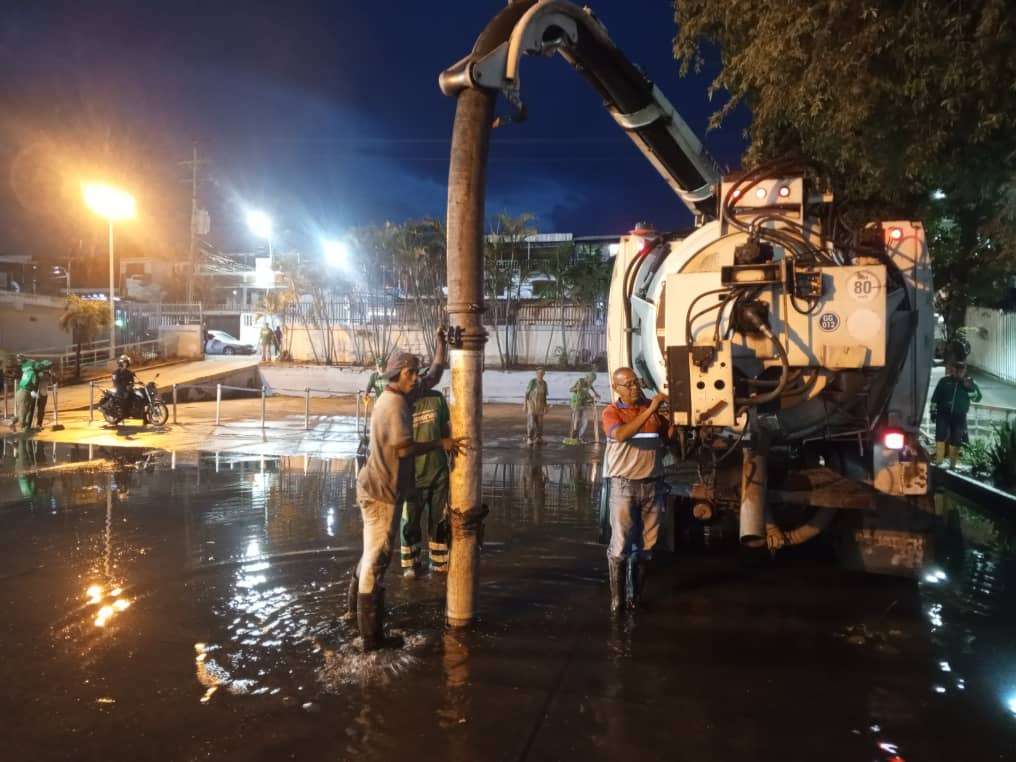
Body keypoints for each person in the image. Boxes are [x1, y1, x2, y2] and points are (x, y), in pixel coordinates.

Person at [350, 351, 466, 651]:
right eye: (412, 373)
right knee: (378, 559)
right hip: (381, 493)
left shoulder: (396, 394)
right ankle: (371, 641)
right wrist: (440, 443)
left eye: (417, 373)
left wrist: (441, 349)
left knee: (370, 553)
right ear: (399, 373)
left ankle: (353, 615)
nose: (417, 378)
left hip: (372, 486)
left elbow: (432, 377)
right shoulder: (395, 405)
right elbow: (403, 449)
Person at [601, 367, 672, 615]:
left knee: (647, 547)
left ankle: (635, 598)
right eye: (628, 385)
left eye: (636, 383)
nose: (634, 388)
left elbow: (668, 438)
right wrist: (651, 411)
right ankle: (617, 601)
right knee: (619, 547)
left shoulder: (652, 411)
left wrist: (674, 417)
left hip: (653, 485)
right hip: (624, 486)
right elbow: (620, 435)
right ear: (616, 388)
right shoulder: (611, 412)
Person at [400, 384, 452, 577]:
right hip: (411, 479)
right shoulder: (401, 402)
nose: (416, 380)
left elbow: (445, 429)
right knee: (409, 524)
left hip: (438, 475)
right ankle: (410, 567)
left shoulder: (437, 399)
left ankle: (438, 565)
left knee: (439, 522)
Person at [931, 361, 982, 468]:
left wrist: (969, 388)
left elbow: (977, 398)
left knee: (956, 438)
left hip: (959, 416)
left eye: (961, 370)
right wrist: (933, 411)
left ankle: (953, 464)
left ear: (964, 371)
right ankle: (939, 461)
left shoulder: (970, 383)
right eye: (956, 369)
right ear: (952, 369)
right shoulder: (944, 381)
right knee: (940, 435)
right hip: (943, 414)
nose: (958, 372)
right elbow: (935, 397)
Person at [565, 371, 600, 445]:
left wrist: (596, 394)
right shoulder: (580, 381)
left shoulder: (589, 384)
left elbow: (590, 388)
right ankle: (574, 437)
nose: (591, 382)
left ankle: (580, 437)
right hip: (576, 403)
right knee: (576, 421)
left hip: (583, 404)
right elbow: (570, 390)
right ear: (587, 378)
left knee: (585, 421)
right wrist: (576, 389)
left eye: (593, 381)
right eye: (591, 380)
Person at [524, 368, 549, 446]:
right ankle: (529, 438)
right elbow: (526, 394)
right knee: (531, 421)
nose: (540, 375)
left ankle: (538, 437)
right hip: (531, 404)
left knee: (540, 423)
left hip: (540, 404)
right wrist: (525, 405)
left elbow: (544, 396)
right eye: (539, 373)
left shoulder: (544, 383)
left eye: (542, 373)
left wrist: (546, 406)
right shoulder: (532, 382)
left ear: (544, 374)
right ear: (536, 374)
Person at [34, 364, 53, 428]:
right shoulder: (47, 375)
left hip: (37, 393)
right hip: (42, 394)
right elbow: (51, 383)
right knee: (40, 410)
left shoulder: (39, 374)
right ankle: (38, 424)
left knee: (37, 409)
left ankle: (37, 424)